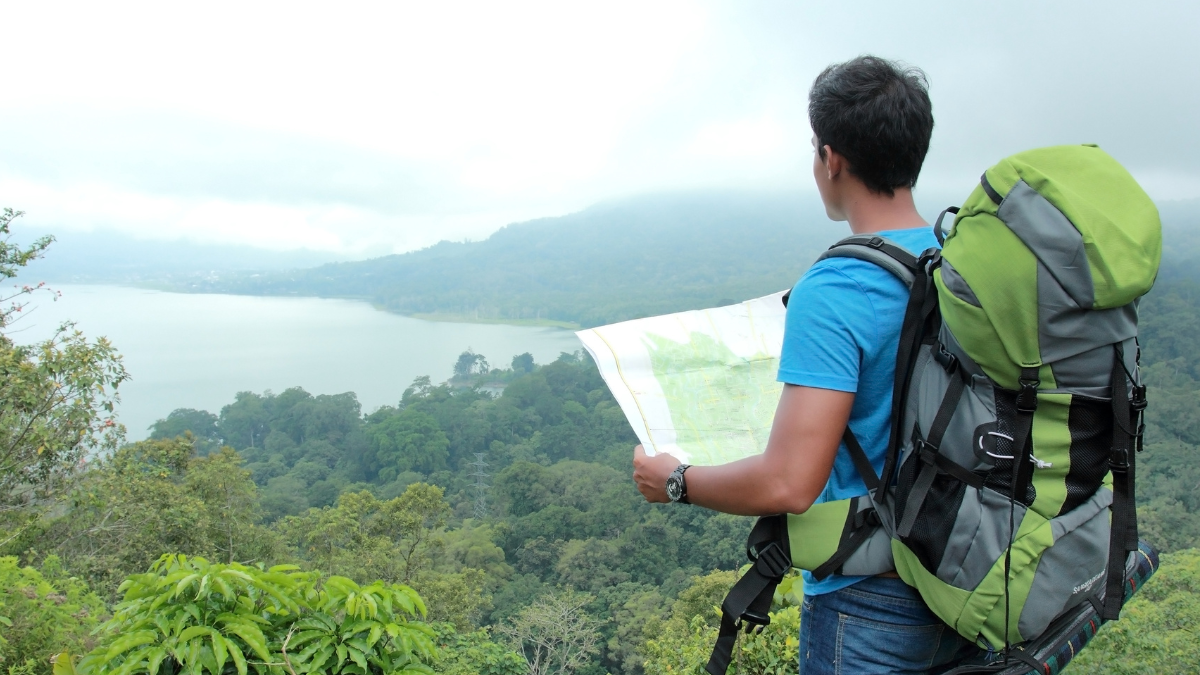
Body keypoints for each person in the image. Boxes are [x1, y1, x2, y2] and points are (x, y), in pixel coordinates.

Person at [632, 55, 976, 674]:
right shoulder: (958, 261)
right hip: (961, 576)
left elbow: (790, 484)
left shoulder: (839, 285)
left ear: (832, 158)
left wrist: (676, 481)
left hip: (871, 603)